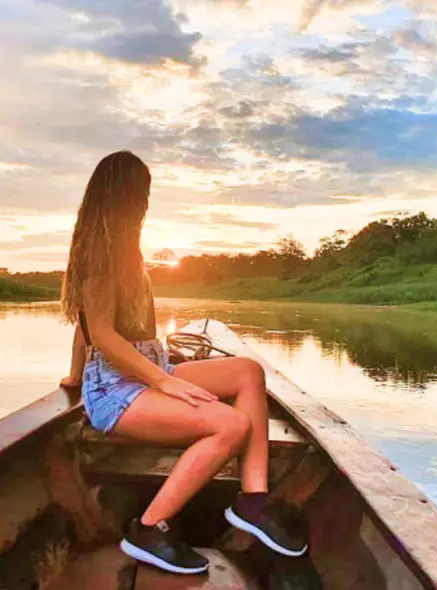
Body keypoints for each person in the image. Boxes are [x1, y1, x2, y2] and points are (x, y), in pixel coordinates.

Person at [58, 150, 306, 575]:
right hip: (117, 390)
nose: (146, 202)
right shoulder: (101, 254)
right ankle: (150, 528)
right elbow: (98, 332)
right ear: (125, 195)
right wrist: (158, 381)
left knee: (249, 372)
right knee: (232, 426)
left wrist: (76, 374)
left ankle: (253, 500)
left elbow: (86, 328)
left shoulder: (126, 249)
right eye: (143, 192)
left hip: (146, 370)